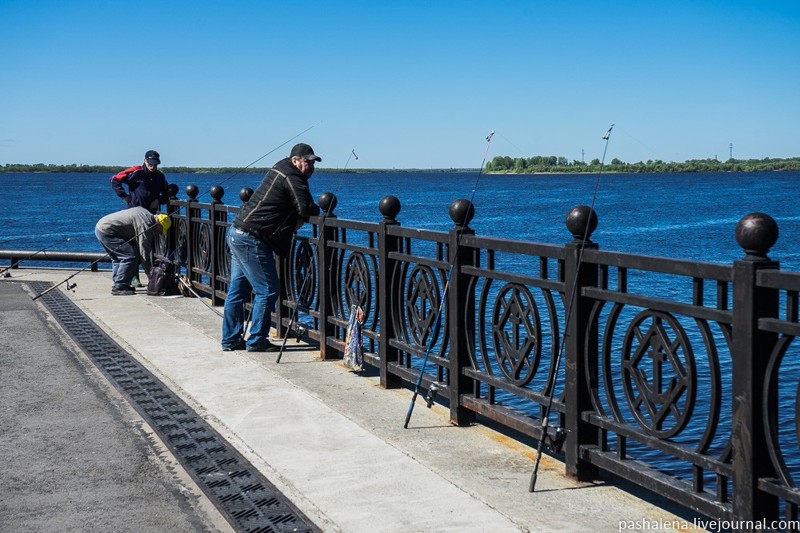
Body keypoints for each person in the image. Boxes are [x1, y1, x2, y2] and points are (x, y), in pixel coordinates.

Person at [221, 143, 322, 352]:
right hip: (251, 237)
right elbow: (305, 206)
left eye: (313, 162)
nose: (311, 166)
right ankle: (257, 340)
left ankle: (230, 339)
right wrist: (314, 210)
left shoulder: (280, 168)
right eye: (307, 162)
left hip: (237, 232)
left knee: (238, 290)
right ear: (295, 160)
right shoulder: (292, 177)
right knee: (268, 290)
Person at [110, 149, 170, 287]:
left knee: (147, 245)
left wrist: (159, 200)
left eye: (155, 164)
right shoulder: (135, 171)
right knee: (134, 246)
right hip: (133, 214)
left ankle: (151, 274)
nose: (153, 166)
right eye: (150, 163)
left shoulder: (160, 176)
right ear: (145, 161)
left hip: (150, 215)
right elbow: (114, 180)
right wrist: (124, 196)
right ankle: (134, 276)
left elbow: (167, 192)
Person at [95, 206, 171, 295]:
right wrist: (149, 273)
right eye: (160, 230)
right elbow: (144, 251)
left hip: (101, 228)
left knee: (117, 258)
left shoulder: (146, 213)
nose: (159, 233)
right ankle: (120, 286)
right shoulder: (146, 225)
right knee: (129, 256)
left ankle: (118, 284)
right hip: (108, 231)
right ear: (158, 223)